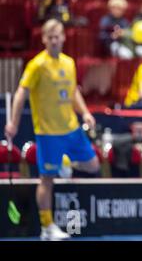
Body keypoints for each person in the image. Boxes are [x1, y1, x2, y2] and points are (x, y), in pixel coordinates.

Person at [4, 19, 100, 240]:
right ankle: (47, 227)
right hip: (48, 133)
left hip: (72, 129)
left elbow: (73, 91)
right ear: (44, 39)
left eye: (58, 36)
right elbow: (21, 94)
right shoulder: (37, 65)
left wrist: (84, 112)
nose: (55, 40)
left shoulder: (68, 62)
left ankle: (66, 162)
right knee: (47, 179)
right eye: (50, 37)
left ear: (63, 37)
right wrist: (14, 124)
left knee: (93, 164)